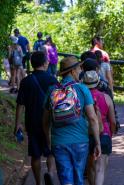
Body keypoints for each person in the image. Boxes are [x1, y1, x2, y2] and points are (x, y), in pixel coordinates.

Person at [43, 56, 101, 185]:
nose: (81, 70)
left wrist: (49, 141)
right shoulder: (82, 89)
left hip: (59, 141)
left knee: (65, 178)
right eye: (79, 67)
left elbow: (46, 121)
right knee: (78, 176)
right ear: (72, 71)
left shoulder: (52, 90)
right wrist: (97, 142)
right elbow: (92, 118)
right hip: (80, 141)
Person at [14, 52, 57, 185]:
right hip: (50, 123)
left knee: (35, 154)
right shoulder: (52, 80)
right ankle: (50, 173)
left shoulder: (26, 81)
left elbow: (20, 104)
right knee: (50, 152)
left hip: (32, 122)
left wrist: (17, 124)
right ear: (45, 63)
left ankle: (38, 182)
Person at [83, 70, 116, 185]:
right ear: (98, 82)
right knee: (100, 169)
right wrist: (111, 134)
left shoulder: (80, 97)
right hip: (104, 133)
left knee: (90, 167)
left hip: (85, 134)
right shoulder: (106, 97)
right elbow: (112, 120)